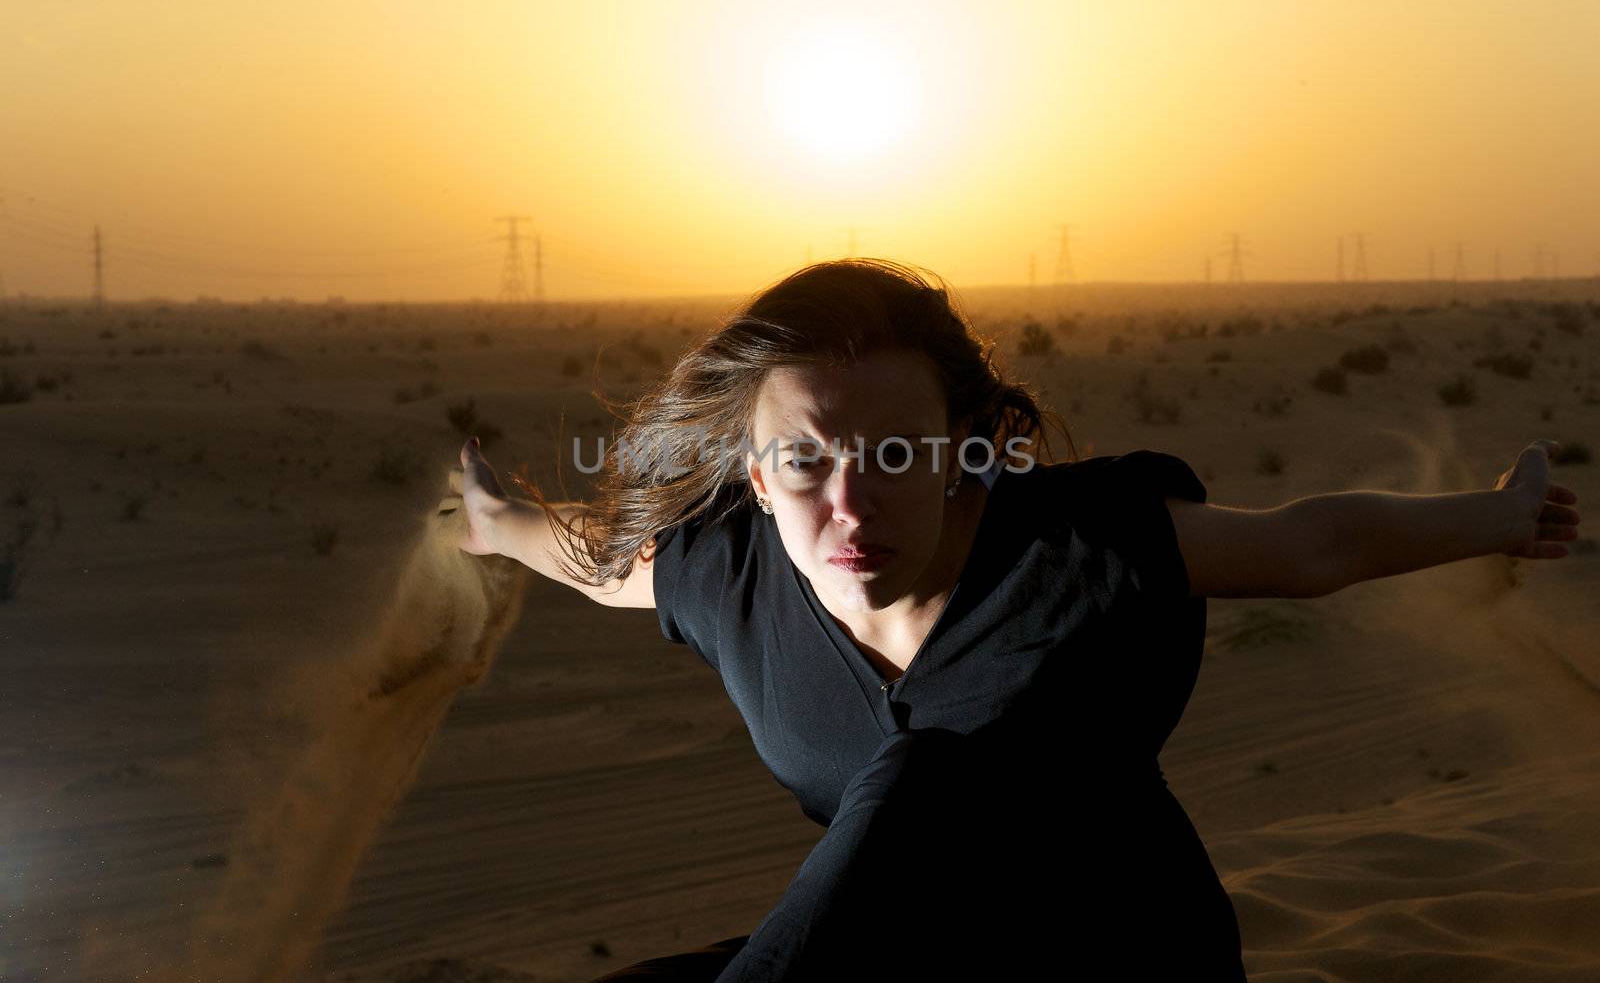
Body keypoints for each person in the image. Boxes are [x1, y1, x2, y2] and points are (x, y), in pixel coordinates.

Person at [448, 258, 1581, 980]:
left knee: (918, 780)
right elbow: (603, 565)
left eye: (895, 454)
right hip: (900, 958)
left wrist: (1500, 518)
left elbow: (1308, 545)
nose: (848, 503)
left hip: (1116, 957)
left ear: (964, 449)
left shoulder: (1078, 545)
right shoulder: (728, 571)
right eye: (804, 462)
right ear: (750, 473)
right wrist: (496, 524)